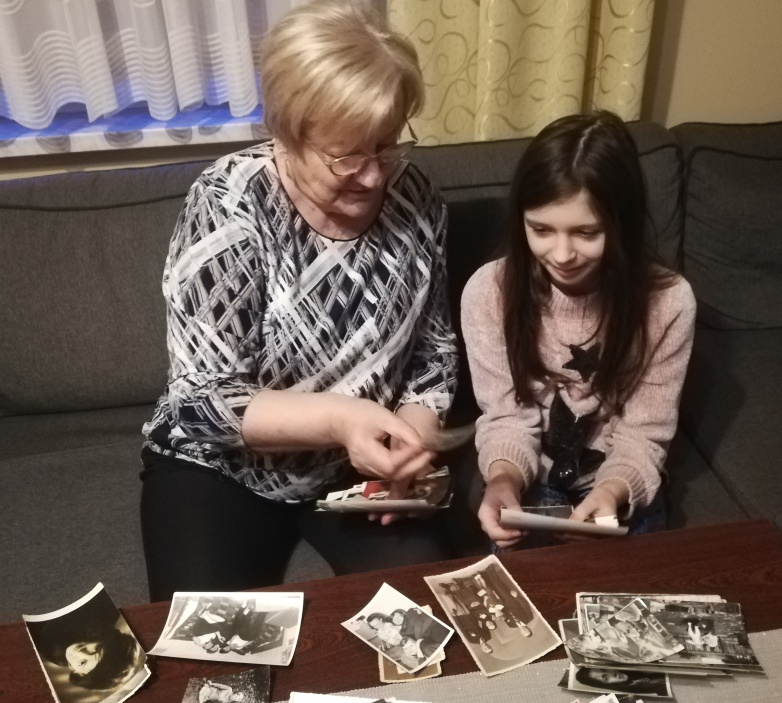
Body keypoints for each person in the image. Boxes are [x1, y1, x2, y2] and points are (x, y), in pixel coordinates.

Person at [139, 0, 459, 601]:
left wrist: (411, 439)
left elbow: (433, 352)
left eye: (387, 145)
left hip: (353, 473)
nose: (374, 176)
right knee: (206, 643)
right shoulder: (228, 203)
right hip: (222, 469)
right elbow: (201, 401)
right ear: (287, 133)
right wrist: (342, 418)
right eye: (346, 156)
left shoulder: (416, 197)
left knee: (426, 615)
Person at [461, 110, 696, 549]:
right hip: (530, 478)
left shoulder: (668, 302)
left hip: (616, 481)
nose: (562, 255)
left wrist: (612, 491)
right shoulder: (488, 292)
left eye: (587, 233)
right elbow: (507, 417)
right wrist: (503, 478)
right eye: (540, 229)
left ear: (622, 223)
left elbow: (644, 435)